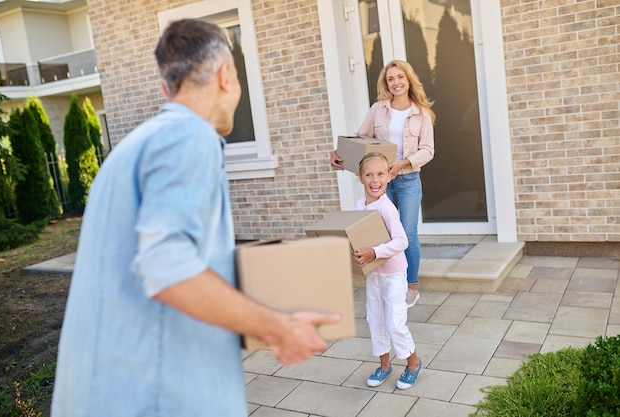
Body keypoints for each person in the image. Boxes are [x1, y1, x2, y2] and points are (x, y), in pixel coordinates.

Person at [51, 19, 339, 417]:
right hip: (155, 398)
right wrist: (279, 328)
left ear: (165, 87)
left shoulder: (130, 149)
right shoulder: (190, 136)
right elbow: (167, 266)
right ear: (225, 76)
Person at [331, 60, 435, 308]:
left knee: (407, 233)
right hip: (381, 180)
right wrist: (336, 152)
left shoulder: (422, 113)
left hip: (408, 178)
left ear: (409, 80)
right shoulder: (378, 109)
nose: (396, 82)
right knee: (380, 231)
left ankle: (410, 287)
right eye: (391, 79)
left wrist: (404, 164)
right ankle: (384, 280)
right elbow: (360, 138)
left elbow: (428, 150)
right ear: (386, 84)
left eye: (400, 77)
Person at [353, 152, 422, 390]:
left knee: (394, 323)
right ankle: (384, 366)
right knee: (375, 320)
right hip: (374, 274)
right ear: (360, 178)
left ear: (389, 177)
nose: (375, 180)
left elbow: (402, 241)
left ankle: (413, 363)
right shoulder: (359, 205)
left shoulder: (386, 207)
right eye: (369, 174)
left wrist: (375, 252)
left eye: (381, 174)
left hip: (393, 273)